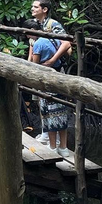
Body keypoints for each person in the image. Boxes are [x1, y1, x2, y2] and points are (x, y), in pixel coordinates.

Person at [24, 18, 71, 157]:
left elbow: (35, 65)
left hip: (46, 82)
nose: (27, 37)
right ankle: (63, 147)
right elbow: (67, 46)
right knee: (61, 112)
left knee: (48, 114)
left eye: (27, 34)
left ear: (32, 31)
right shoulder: (54, 39)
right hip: (59, 79)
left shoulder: (38, 43)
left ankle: (52, 147)